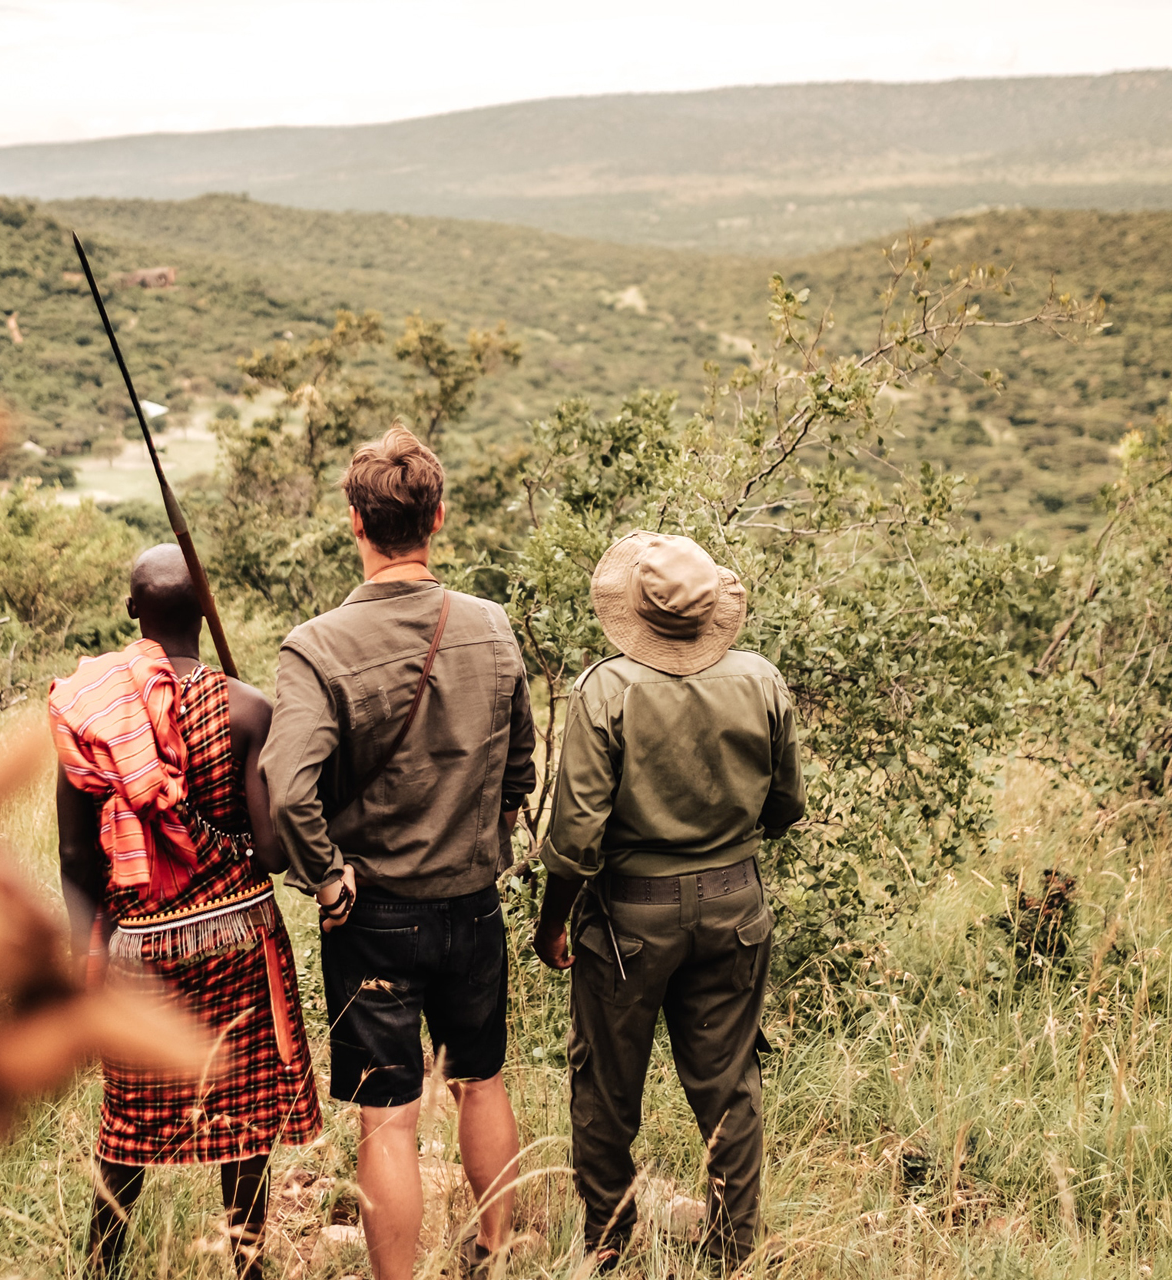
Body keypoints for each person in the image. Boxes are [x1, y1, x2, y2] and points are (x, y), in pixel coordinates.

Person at [262, 426, 537, 1280]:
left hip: (373, 916)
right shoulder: (491, 627)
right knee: (481, 1083)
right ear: (438, 518)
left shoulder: (316, 647)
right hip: (473, 905)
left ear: (356, 522)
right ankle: (498, 1254)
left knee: (389, 1118)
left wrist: (329, 878)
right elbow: (520, 766)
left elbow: (285, 788)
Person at [532, 531, 804, 1271]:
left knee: (607, 1090)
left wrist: (552, 924)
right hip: (736, 905)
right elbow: (785, 808)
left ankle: (609, 1249)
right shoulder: (761, 680)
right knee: (731, 1085)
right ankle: (732, 1251)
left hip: (629, 917)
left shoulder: (607, 690)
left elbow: (576, 835)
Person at [52, 545, 323, 1280]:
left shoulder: (95, 713)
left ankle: (102, 1264)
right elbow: (269, 852)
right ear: (206, 609)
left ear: (133, 610)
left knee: (132, 1114)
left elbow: (78, 859)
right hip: (240, 938)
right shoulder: (248, 707)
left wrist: (89, 960)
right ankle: (248, 1265)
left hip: (139, 948)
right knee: (242, 1107)